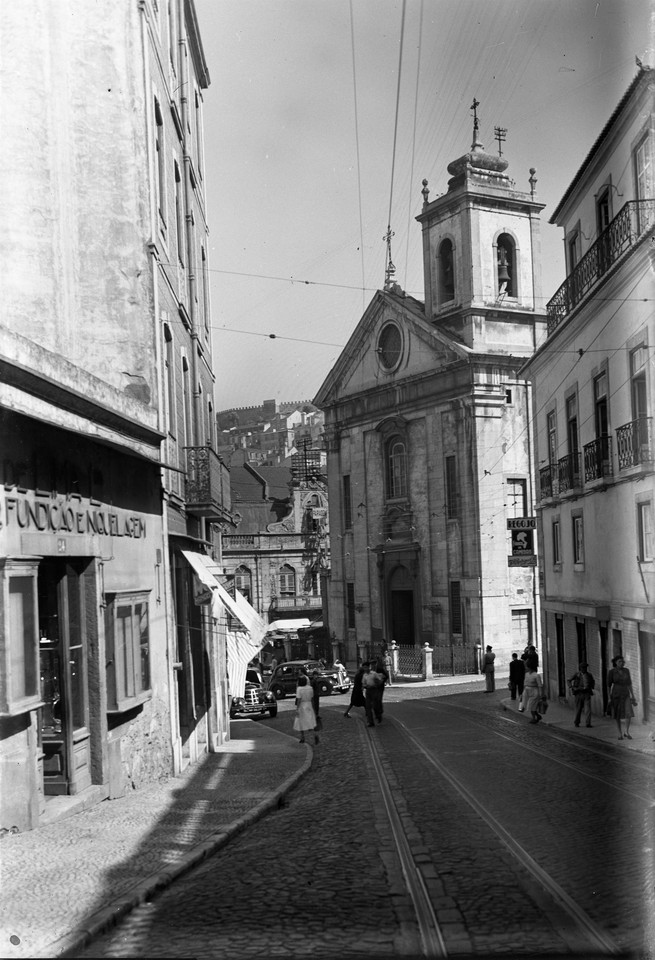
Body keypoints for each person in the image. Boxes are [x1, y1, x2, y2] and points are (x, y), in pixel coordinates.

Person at [607, 655, 637, 740]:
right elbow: (609, 686)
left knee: (629, 713)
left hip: (625, 693)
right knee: (617, 714)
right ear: (615, 663)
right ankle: (619, 733)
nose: (621, 663)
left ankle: (626, 732)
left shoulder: (626, 671)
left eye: (622, 661)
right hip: (616, 694)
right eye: (619, 661)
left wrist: (633, 695)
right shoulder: (612, 672)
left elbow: (629, 684)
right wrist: (609, 697)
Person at [567, 662, 595, 728]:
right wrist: (572, 687)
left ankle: (588, 723)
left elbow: (592, 681)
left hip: (586, 693)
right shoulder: (577, 675)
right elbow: (568, 680)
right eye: (583, 668)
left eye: (585, 668)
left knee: (588, 709)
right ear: (580, 668)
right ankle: (577, 722)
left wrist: (591, 687)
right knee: (578, 709)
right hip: (579, 693)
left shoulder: (589, 675)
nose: (584, 669)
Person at [293, 675, 318, 744]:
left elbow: (299, 699)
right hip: (309, 704)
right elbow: (312, 699)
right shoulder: (310, 688)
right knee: (310, 722)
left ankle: (302, 737)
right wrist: (314, 708)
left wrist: (297, 708)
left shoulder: (299, 689)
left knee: (301, 722)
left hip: (302, 705)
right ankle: (314, 734)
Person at [363, 662, 385, 727]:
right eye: (364, 667)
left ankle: (378, 716)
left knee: (376, 706)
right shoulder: (364, 675)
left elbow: (380, 680)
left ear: (369, 667)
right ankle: (370, 722)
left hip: (374, 690)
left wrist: (377, 684)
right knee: (368, 707)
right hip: (368, 691)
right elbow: (363, 683)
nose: (365, 669)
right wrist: (365, 686)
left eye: (366, 667)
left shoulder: (374, 674)